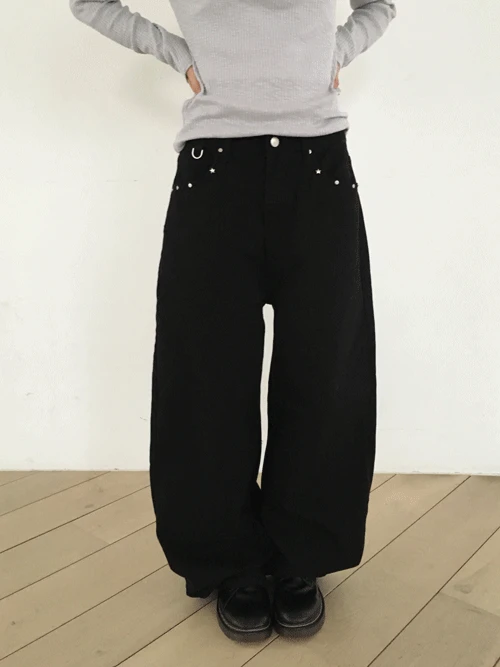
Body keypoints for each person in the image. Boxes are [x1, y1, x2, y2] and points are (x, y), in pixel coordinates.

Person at [70, 0, 396, 642]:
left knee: (325, 375)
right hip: (214, 173)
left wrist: (335, 51)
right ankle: (228, 560)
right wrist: (177, 52)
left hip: (319, 169)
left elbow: (380, 5)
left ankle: (301, 554)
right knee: (206, 381)